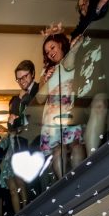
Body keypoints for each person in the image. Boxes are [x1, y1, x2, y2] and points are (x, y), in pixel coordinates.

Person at [37, 31, 86, 179]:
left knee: (75, 144)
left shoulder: (71, 57)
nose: (50, 53)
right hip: (52, 116)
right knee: (58, 151)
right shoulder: (46, 70)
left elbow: (81, 39)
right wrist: (45, 79)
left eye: (52, 47)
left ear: (60, 44)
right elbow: (39, 99)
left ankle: (82, 183)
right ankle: (64, 188)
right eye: (47, 52)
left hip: (69, 109)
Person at [0, 60, 38, 216]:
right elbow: (11, 126)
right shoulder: (15, 99)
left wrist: (25, 98)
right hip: (22, 145)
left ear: (33, 73)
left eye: (25, 77)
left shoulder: (39, 88)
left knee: (36, 182)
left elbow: (36, 112)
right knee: (27, 183)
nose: (22, 81)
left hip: (37, 139)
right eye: (19, 79)